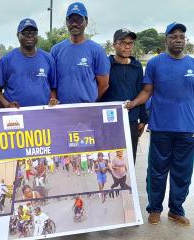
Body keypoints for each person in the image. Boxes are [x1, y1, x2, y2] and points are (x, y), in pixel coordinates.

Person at [126, 22, 194, 226]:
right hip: (160, 127)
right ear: (166, 40)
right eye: (173, 36)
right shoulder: (155, 63)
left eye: (181, 36)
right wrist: (133, 104)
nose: (178, 40)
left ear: (185, 40)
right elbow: (147, 91)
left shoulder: (192, 64)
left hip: (187, 129)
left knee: (182, 173)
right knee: (156, 171)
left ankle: (176, 209)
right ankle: (154, 209)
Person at [101, 28, 148, 163]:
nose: (127, 46)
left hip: (131, 120)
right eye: (122, 42)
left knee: (129, 160)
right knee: (111, 157)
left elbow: (141, 91)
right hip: (109, 121)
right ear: (114, 44)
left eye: (130, 43)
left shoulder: (137, 66)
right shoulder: (106, 64)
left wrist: (143, 118)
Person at [50, 2, 109, 104]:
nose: (74, 24)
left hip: (87, 110)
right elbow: (52, 83)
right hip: (61, 110)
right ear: (67, 22)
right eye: (71, 20)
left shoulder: (97, 50)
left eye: (78, 20)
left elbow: (103, 85)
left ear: (86, 21)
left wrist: (90, 103)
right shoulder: (56, 50)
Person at [0, 18, 58, 108]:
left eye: (33, 32)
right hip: (15, 117)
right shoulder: (6, 60)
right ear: (18, 35)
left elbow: (53, 88)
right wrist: (7, 105)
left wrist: (52, 101)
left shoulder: (48, 58)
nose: (30, 35)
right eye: (25, 33)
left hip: (42, 114)